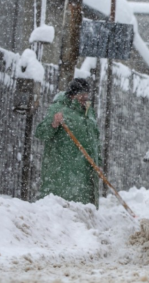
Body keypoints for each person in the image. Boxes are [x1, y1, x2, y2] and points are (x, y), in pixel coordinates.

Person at [34, 78, 101, 206]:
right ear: (71, 95)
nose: (85, 97)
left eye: (86, 94)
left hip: (86, 175)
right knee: (65, 213)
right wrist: (54, 124)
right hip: (63, 174)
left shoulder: (88, 111)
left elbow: (95, 137)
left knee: (83, 215)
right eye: (81, 94)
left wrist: (99, 162)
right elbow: (41, 133)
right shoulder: (58, 108)